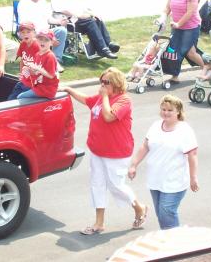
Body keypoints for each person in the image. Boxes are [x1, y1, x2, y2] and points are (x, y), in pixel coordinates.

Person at [60, 67, 148, 235]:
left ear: (116, 83)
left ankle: (139, 207)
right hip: (97, 150)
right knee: (97, 185)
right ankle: (99, 223)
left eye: (106, 82)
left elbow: (108, 117)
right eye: (101, 81)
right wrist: (69, 90)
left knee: (116, 185)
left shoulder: (123, 100)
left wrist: (105, 96)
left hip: (117, 152)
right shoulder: (101, 99)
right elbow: (87, 100)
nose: (102, 84)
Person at [128, 94, 199, 230]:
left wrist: (193, 177)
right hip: (156, 179)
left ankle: (175, 244)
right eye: (163, 109)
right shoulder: (155, 126)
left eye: (170, 110)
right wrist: (133, 165)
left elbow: (192, 154)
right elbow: (145, 146)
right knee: (161, 214)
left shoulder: (185, 130)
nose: (165, 113)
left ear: (178, 111)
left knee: (167, 211)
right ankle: (169, 239)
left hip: (174, 181)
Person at [51, 0, 119, 59]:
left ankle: (108, 43)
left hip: (80, 19)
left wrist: (92, 13)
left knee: (96, 18)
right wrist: (78, 15)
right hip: (70, 22)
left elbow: (81, 6)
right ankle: (103, 49)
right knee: (90, 21)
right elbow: (60, 9)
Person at [158, 0, 204, 83]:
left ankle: (207, 68)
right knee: (175, 50)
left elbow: (190, 12)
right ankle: (175, 75)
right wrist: (162, 17)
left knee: (188, 52)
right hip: (176, 26)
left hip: (191, 27)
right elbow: (167, 8)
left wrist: (178, 24)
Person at [17, 0, 68, 72]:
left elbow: (49, 19)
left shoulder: (43, 1)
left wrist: (59, 22)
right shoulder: (23, 3)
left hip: (46, 32)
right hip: (30, 33)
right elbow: (24, 25)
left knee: (62, 31)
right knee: (40, 38)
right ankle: (48, 62)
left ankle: (55, 60)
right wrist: (48, 37)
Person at [16, 29, 58, 99]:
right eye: (40, 39)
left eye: (46, 40)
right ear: (37, 40)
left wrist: (38, 68)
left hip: (47, 89)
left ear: (51, 43)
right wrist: (28, 70)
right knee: (20, 86)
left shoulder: (50, 56)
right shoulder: (38, 54)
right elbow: (36, 73)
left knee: (20, 97)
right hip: (39, 85)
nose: (42, 42)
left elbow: (51, 75)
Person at [7, 21, 40, 100]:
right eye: (23, 32)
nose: (25, 34)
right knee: (11, 99)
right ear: (20, 34)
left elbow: (41, 65)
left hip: (34, 82)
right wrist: (22, 73)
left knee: (21, 100)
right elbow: (22, 60)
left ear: (34, 33)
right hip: (25, 80)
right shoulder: (23, 44)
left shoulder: (37, 46)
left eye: (28, 32)